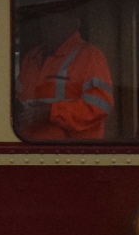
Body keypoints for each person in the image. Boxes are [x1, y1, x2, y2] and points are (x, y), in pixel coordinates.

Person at [14, 11, 113, 141]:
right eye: (44, 22)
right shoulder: (31, 57)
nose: (46, 27)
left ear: (73, 23)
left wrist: (50, 112)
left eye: (53, 22)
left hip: (71, 153)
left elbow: (100, 106)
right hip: (29, 149)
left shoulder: (90, 56)